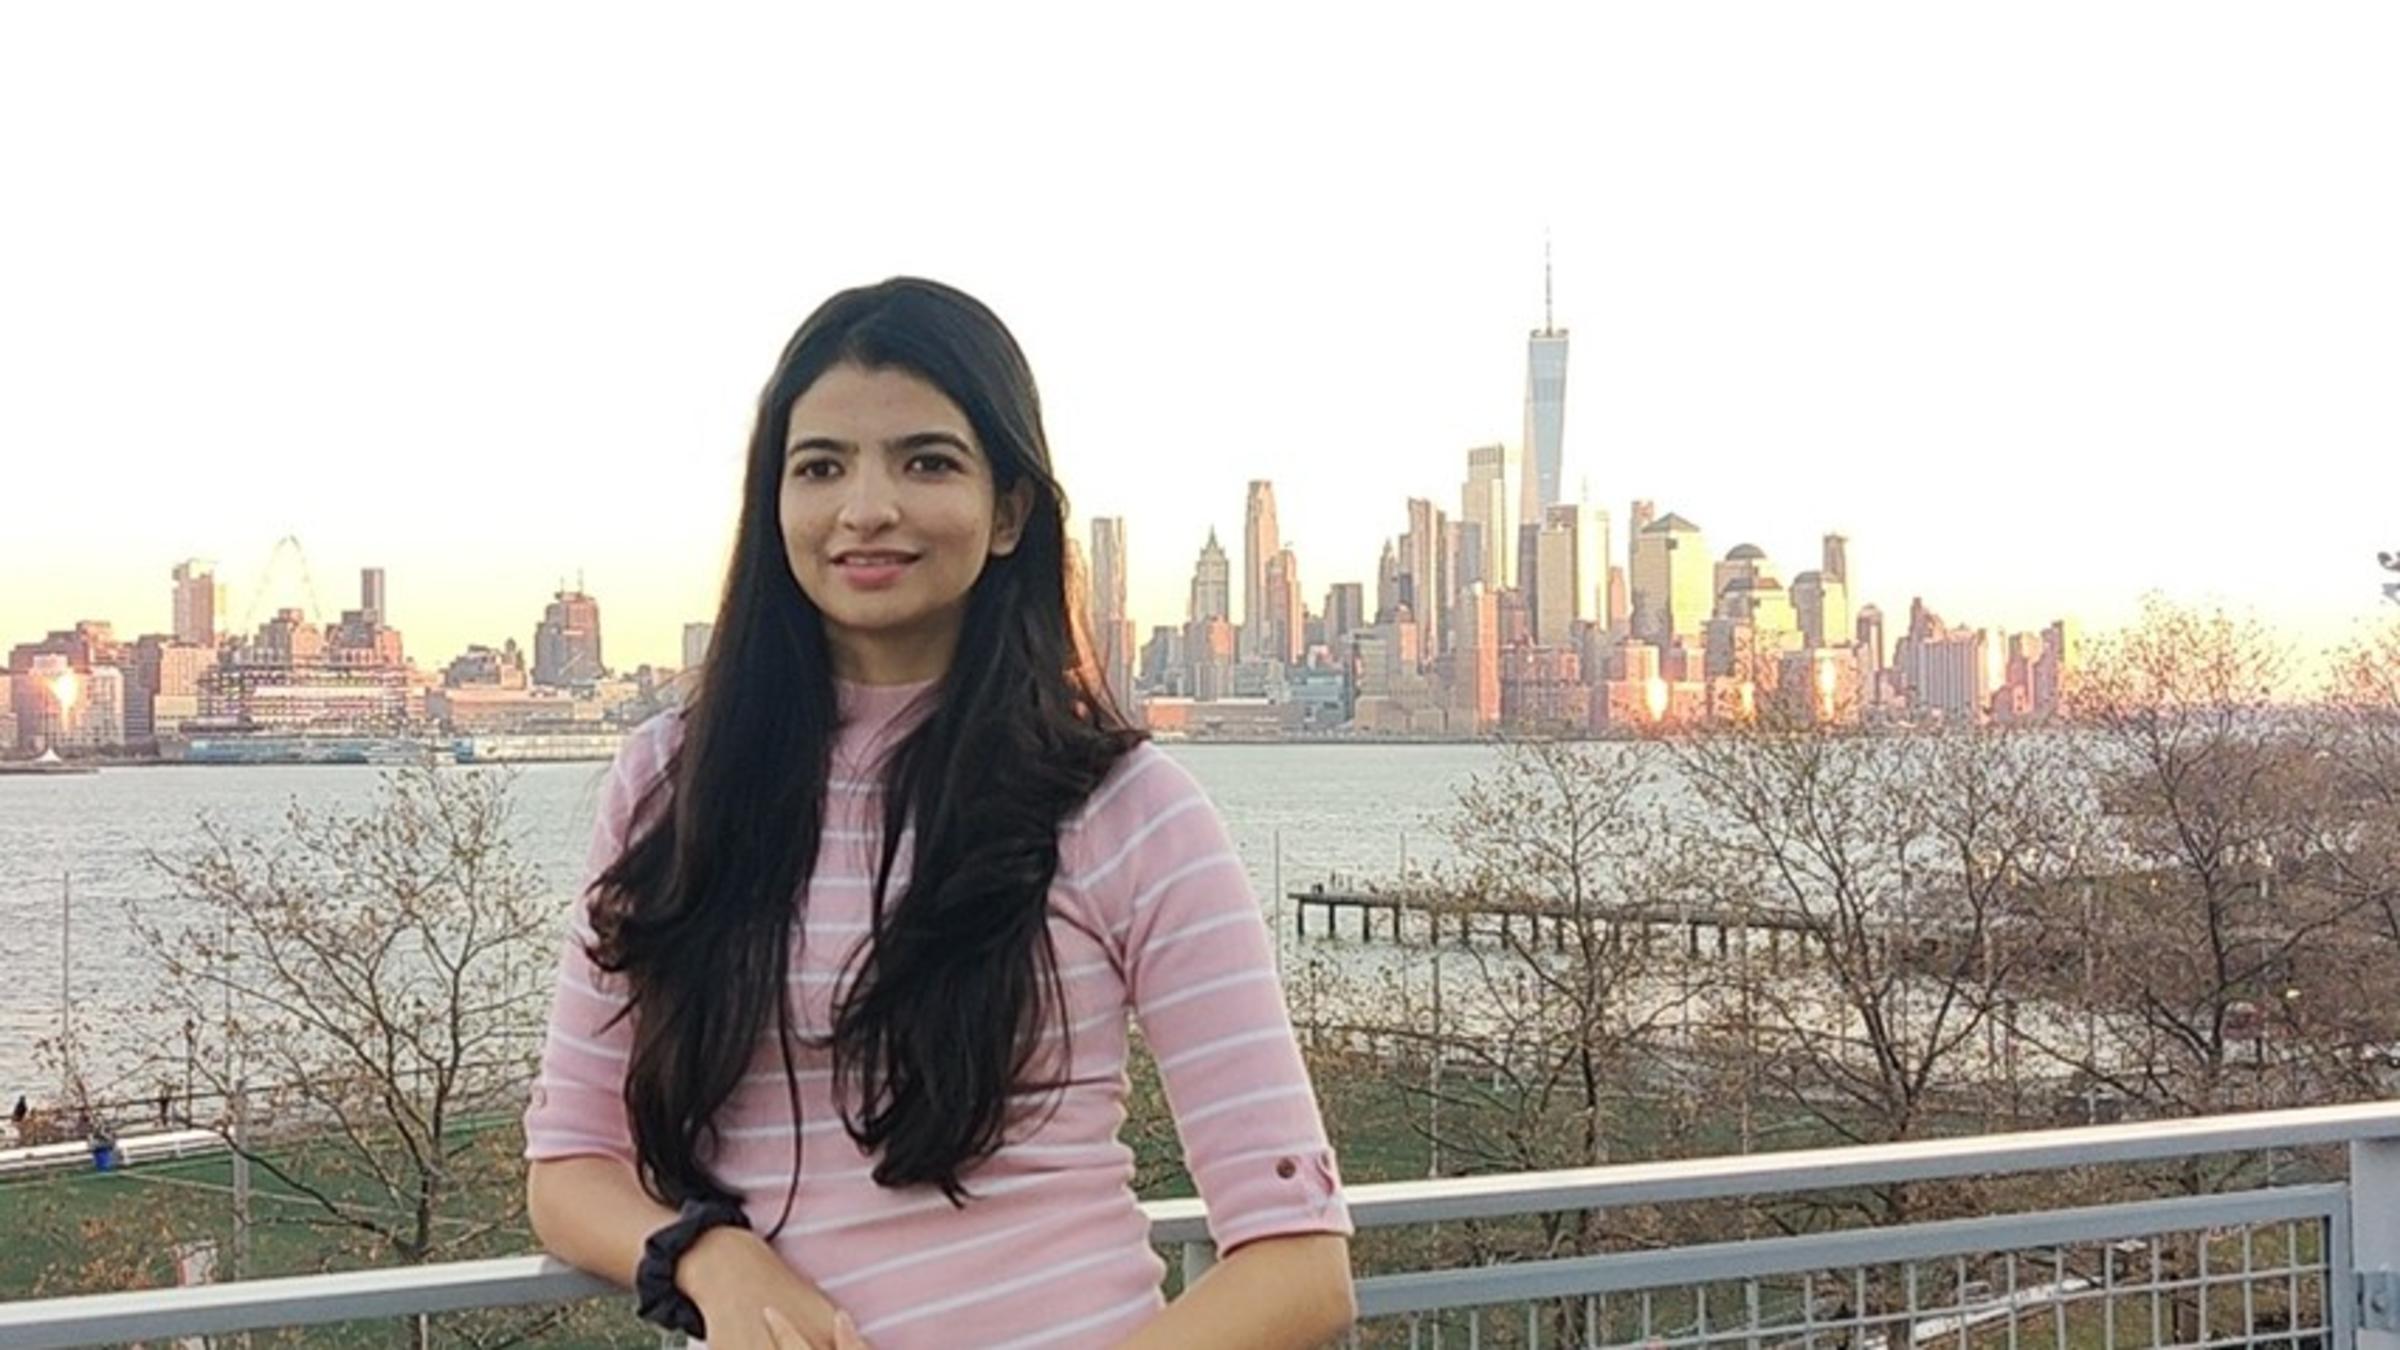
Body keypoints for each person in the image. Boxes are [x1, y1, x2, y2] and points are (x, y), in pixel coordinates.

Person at [524, 278, 1357, 1350]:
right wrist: (703, 1249)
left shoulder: (1126, 809)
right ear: (773, 506)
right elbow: (567, 1167)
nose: (867, 508)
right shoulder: (670, 785)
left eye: (927, 462)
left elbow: (1300, 1261)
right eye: (820, 466)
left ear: (1009, 511)